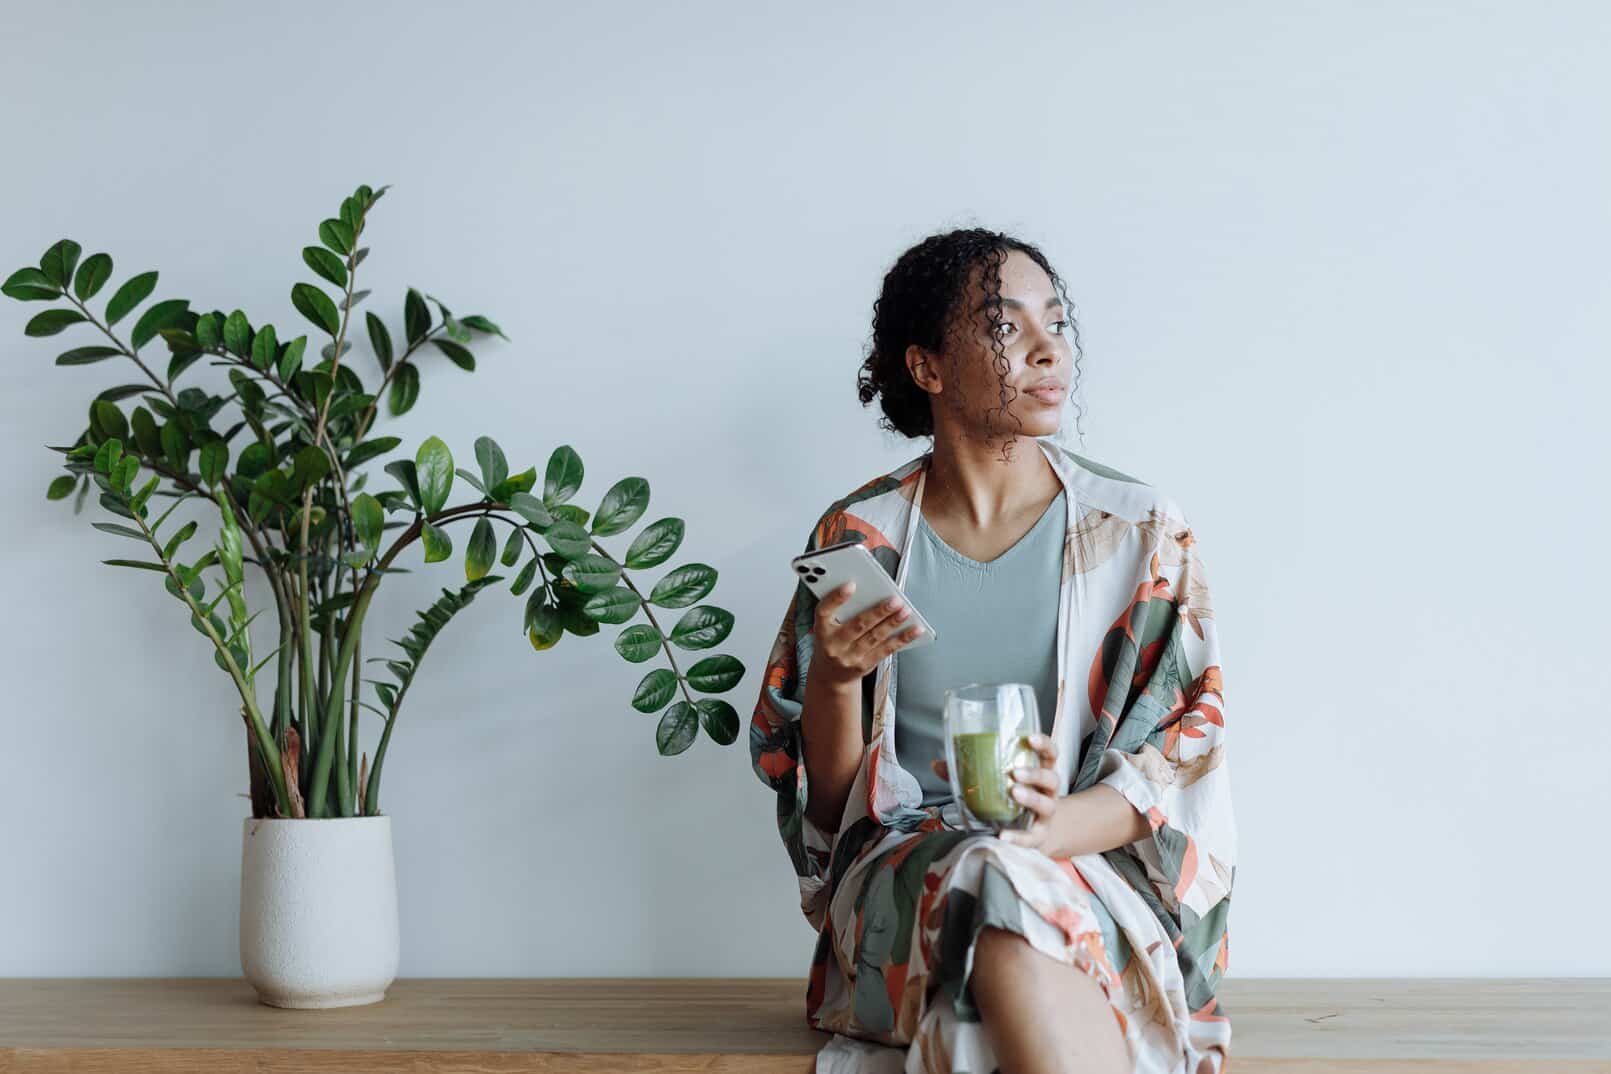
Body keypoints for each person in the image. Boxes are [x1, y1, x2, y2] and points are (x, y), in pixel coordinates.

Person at [749, 228, 1236, 1074]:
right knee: (990, 873)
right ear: (928, 368)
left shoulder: (1138, 533)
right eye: (1006, 327)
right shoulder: (858, 539)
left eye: (1055, 320)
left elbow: (1182, 759)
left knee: (1000, 904)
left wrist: (1048, 829)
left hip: (1087, 872)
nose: (1050, 347)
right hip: (903, 887)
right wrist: (832, 677)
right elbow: (828, 817)